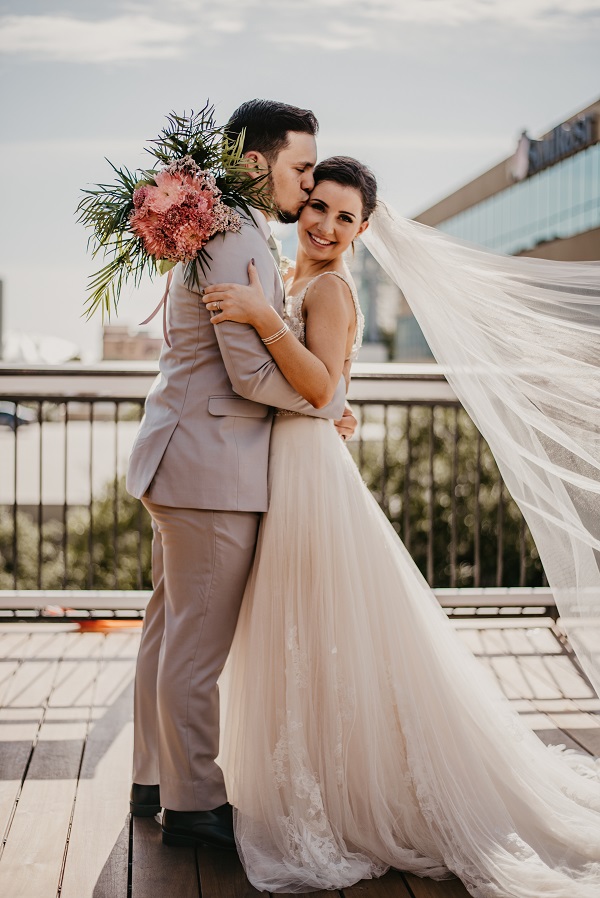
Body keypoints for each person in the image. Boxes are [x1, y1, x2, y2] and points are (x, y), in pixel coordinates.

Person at [202, 157, 600, 896]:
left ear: (363, 229)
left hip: (309, 475)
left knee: (319, 625)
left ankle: (346, 795)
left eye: (343, 218)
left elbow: (319, 386)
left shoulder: (328, 287)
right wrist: (322, 387)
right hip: (293, 461)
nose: (324, 226)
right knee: (308, 629)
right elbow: (325, 391)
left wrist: (264, 321)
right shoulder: (292, 278)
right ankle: (316, 778)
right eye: (317, 207)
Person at [125, 101, 356, 851]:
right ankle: (193, 805)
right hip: (209, 470)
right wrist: (326, 402)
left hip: (187, 458)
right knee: (194, 649)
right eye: (300, 169)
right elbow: (252, 376)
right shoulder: (234, 237)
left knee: (168, 634)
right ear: (257, 164)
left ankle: (153, 778)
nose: (308, 183)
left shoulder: (228, 227)